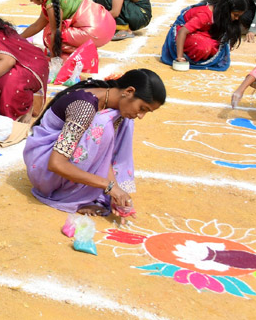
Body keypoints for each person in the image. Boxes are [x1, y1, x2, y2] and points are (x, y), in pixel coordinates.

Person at [23, 69, 165, 215]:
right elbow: (56, 163)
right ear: (129, 91)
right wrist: (108, 187)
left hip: (56, 160)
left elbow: (103, 156)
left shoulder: (112, 107)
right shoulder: (85, 108)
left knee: (123, 122)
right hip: (43, 168)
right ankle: (70, 197)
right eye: (142, 108)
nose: (141, 116)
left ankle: (85, 192)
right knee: (102, 126)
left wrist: (114, 190)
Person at [21, 0, 116, 60]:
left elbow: (55, 33)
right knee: (52, 28)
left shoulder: (51, 4)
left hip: (96, 32)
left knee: (49, 35)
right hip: (107, 23)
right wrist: (18, 38)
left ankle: (81, 55)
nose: (31, 1)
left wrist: (54, 59)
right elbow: (37, 25)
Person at [159, 0, 249, 71]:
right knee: (204, 47)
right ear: (226, 11)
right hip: (182, 31)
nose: (237, 18)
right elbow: (182, 31)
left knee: (215, 46)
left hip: (201, 32)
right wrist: (179, 57)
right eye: (235, 15)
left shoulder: (220, 15)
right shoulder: (205, 15)